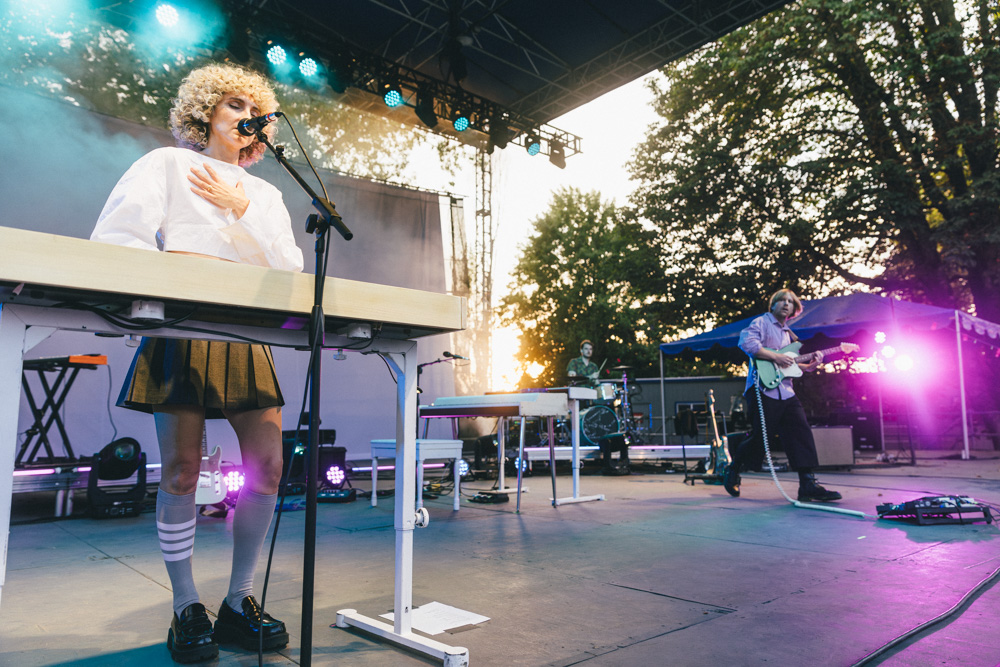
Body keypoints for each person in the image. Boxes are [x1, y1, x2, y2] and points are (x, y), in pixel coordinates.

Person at [91, 63, 304, 663]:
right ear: (205, 110)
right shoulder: (167, 164)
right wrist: (161, 294)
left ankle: (239, 601)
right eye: (232, 104)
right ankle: (187, 605)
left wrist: (242, 209)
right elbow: (118, 236)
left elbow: (288, 271)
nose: (244, 116)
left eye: (251, 108)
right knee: (183, 470)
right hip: (181, 327)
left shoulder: (265, 194)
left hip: (242, 333)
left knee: (267, 468)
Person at [724, 289, 842, 503]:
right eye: (782, 300)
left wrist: (809, 366)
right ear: (773, 305)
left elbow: (791, 367)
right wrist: (777, 357)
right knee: (761, 438)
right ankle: (733, 468)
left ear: (794, 310)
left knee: (801, 432)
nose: (786, 304)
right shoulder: (762, 322)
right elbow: (747, 344)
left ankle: (808, 483)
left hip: (786, 391)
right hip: (762, 389)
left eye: (790, 301)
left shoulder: (790, 335)